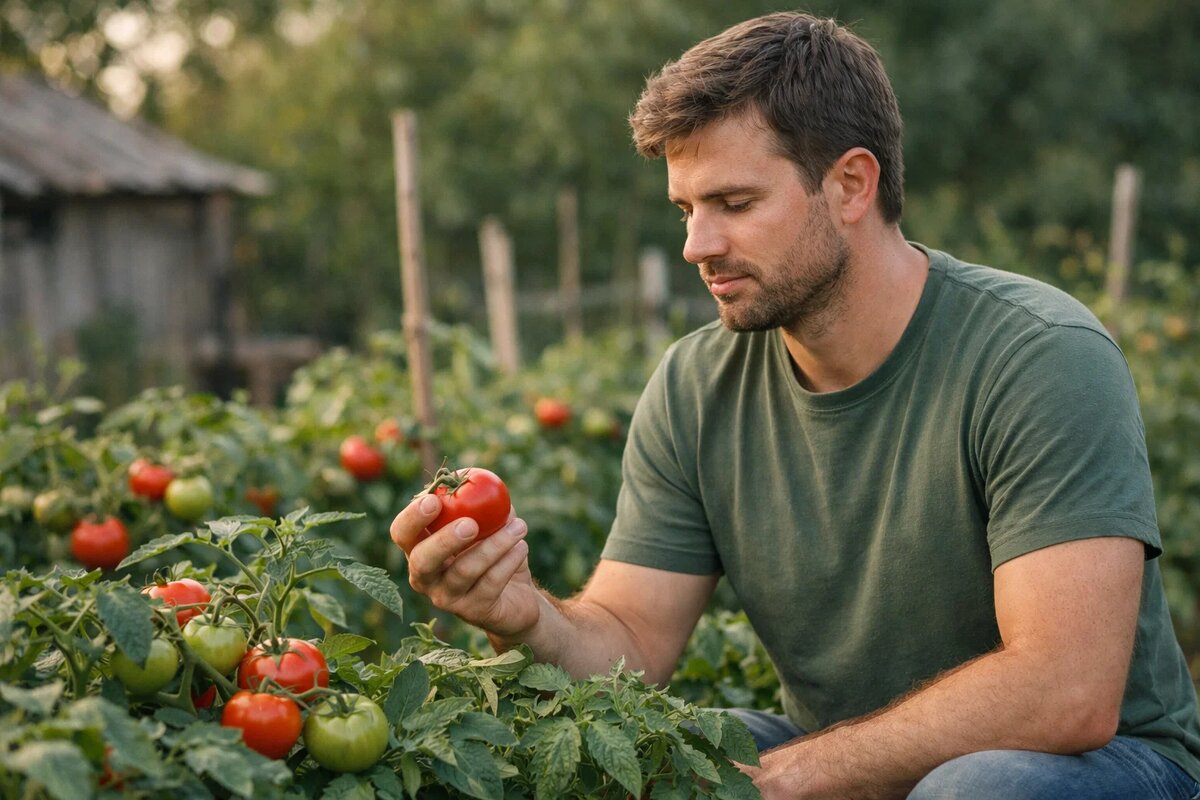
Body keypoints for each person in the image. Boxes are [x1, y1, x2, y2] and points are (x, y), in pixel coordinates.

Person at [390, 11, 1200, 798]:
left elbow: (1065, 691)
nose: (697, 246)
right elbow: (628, 642)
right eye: (686, 209)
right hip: (849, 753)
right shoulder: (696, 386)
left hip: (1101, 767)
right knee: (650, 759)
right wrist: (524, 618)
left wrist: (795, 775)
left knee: (976, 787)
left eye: (734, 204)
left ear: (851, 185)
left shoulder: (1038, 356)